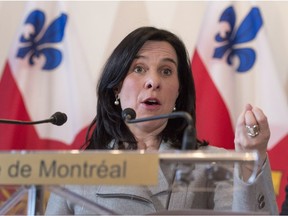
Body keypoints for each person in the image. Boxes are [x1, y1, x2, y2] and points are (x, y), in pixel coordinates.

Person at [45, 26, 278, 215]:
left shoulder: (212, 163)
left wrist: (252, 158)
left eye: (166, 71)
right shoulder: (77, 171)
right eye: (138, 68)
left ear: (178, 91)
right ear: (116, 87)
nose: (153, 81)